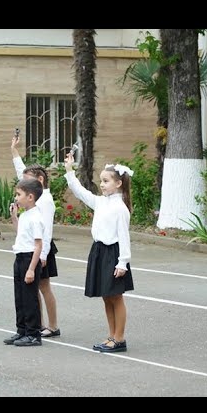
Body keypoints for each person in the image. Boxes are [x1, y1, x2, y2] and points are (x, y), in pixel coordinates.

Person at [64, 153, 134, 353]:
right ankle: (111, 335)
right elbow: (80, 192)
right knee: (106, 296)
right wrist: (69, 170)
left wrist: (123, 263)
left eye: (106, 181)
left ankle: (119, 338)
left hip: (114, 254)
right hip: (99, 251)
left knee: (116, 296)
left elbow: (124, 237)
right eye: (101, 181)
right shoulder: (102, 202)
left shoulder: (120, 207)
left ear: (119, 183)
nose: (101, 185)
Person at [11, 135, 61, 338]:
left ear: (39, 181)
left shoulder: (45, 200)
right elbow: (21, 173)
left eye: (27, 180)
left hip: (41, 249)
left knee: (43, 287)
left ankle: (52, 325)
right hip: (31, 247)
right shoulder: (32, 195)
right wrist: (14, 151)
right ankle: (35, 324)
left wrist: (42, 256)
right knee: (32, 289)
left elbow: (46, 231)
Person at [3, 177, 44, 347]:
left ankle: (33, 333)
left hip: (29, 259)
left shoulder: (36, 217)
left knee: (29, 298)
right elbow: (21, 232)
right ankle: (22, 330)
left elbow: (38, 245)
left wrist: (31, 269)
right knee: (19, 297)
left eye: (19, 194)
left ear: (30, 197)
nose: (16, 197)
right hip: (20, 257)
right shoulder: (26, 214)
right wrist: (14, 216)